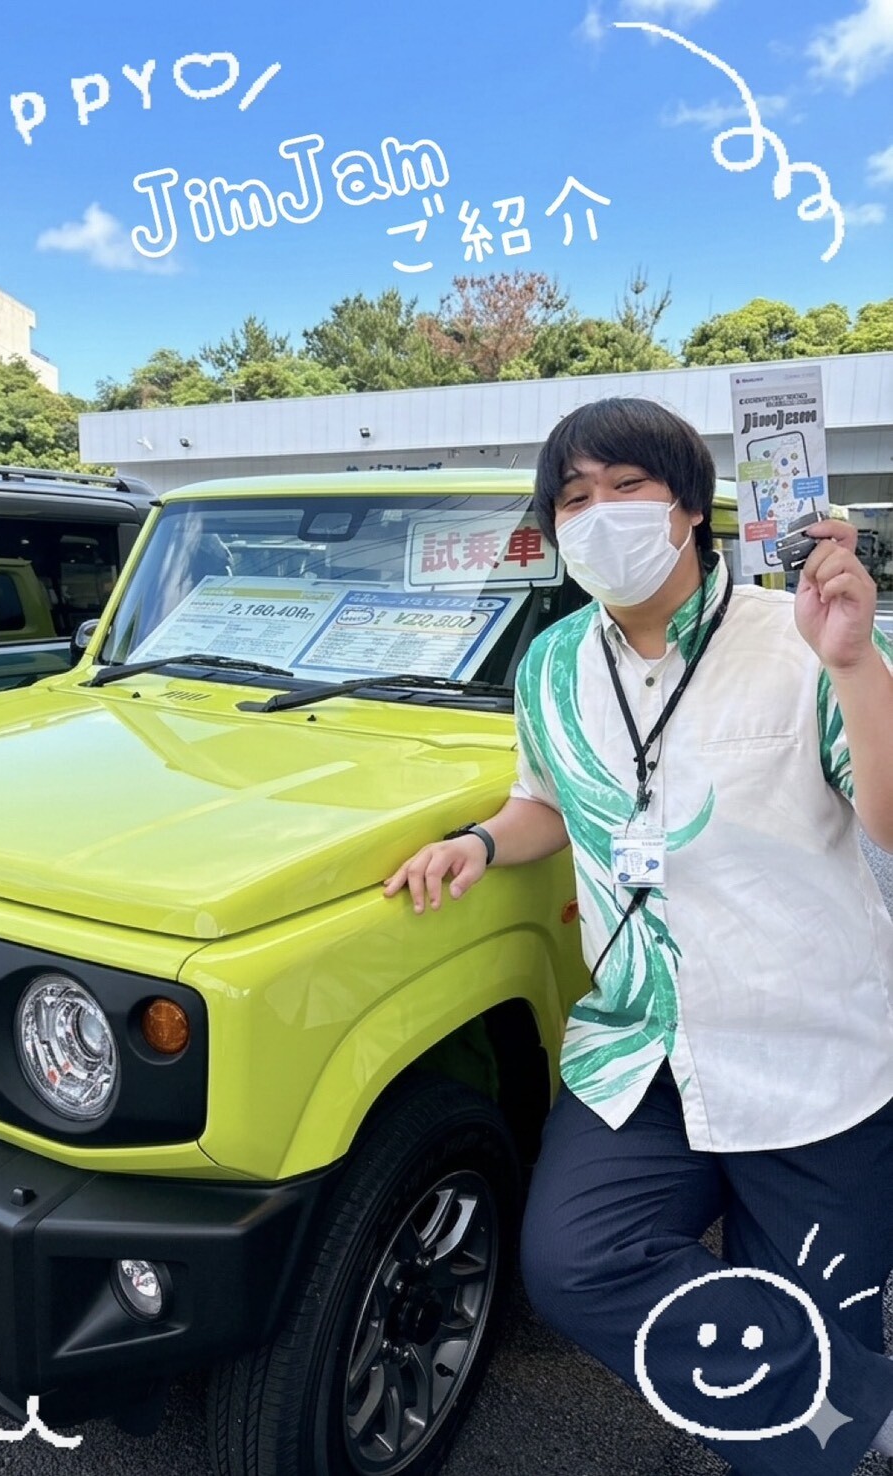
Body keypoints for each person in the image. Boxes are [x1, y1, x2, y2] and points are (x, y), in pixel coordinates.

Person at [383, 397, 893, 1476]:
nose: (598, 514)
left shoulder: (803, 636)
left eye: (626, 486)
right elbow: (548, 800)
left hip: (813, 1056)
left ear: (690, 506)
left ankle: (817, 1422)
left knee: (813, 1321)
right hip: (639, 1045)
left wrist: (854, 664)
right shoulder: (552, 663)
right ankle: (852, 1408)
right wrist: (480, 842)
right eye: (573, 499)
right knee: (576, 1262)